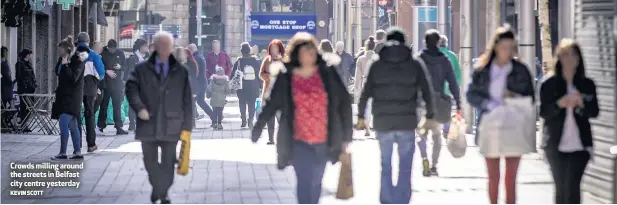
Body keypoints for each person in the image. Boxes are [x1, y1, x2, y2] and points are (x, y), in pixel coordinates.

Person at [251, 32, 352, 204]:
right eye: (305, 52)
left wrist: (347, 136)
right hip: (298, 140)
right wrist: (258, 127)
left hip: (323, 139)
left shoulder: (327, 73)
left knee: (316, 181)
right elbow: (272, 102)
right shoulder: (287, 75)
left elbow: (344, 103)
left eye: (312, 51)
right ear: (297, 54)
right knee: (304, 181)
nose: (309, 55)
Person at [356, 27, 435, 204]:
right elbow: (427, 91)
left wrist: (361, 115)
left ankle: (386, 199)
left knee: (385, 164)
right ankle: (402, 199)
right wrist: (429, 115)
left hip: (383, 122)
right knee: (405, 166)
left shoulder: (376, 64)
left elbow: (365, 92)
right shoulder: (415, 63)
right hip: (407, 122)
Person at [466, 25, 535, 204]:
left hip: (514, 124)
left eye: (511, 47)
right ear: (495, 47)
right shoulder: (483, 69)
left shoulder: (521, 70)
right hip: (490, 124)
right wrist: (487, 103)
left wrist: (514, 97)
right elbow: (471, 94)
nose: (507, 51)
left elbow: (531, 97)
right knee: (493, 176)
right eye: (503, 47)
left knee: (511, 177)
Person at [125, 31, 193, 204]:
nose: (164, 49)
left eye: (167, 46)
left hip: (172, 123)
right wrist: (139, 108)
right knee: (150, 161)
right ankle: (158, 187)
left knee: (169, 161)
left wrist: (187, 127)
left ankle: (162, 192)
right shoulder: (141, 69)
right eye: (161, 46)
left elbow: (187, 100)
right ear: (154, 47)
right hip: (148, 123)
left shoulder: (180, 71)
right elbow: (131, 89)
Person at [540, 39, 598, 204]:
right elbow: (544, 111)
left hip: (580, 146)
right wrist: (560, 104)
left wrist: (581, 104)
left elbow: (594, 111)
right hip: (555, 145)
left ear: (579, 59)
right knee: (561, 189)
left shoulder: (587, 84)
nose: (569, 59)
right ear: (558, 58)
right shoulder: (549, 84)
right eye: (565, 55)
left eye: (573, 55)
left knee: (573, 188)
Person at [417, 29, 462, 177]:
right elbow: (453, 83)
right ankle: (434, 164)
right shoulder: (444, 60)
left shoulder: (419, 59)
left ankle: (424, 158)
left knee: (421, 134)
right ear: (438, 42)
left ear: (425, 41)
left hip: (422, 103)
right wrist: (458, 102)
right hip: (439, 103)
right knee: (437, 135)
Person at [51, 36, 87, 160]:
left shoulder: (78, 60)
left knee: (63, 124)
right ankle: (77, 153)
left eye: (60, 50)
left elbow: (73, 78)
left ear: (67, 50)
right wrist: (62, 63)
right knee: (73, 126)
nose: (58, 52)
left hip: (72, 98)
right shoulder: (63, 59)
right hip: (63, 96)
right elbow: (57, 71)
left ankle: (62, 153)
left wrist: (66, 66)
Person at [75, 32, 105, 151]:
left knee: (76, 115)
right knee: (90, 114)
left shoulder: (71, 52)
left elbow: (60, 70)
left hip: (75, 87)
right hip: (90, 87)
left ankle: (77, 146)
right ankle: (91, 144)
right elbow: (101, 74)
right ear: (88, 42)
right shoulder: (93, 55)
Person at [258, 39, 285, 145]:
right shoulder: (267, 60)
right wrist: (267, 77)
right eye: (272, 48)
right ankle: (271, 138)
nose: (274, 50)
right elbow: (260, 74)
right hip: (269, 92)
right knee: (270, 118)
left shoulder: (285, 59)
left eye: (276, 48)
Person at [99, 39, 128, 135]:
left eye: (114, 49)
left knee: (117, 106)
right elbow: (99, 65)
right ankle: (101, 125)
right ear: (108, 47)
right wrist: (107, 71)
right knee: (103, 105)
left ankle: (119, 127)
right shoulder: (103, 53)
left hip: (117, 84)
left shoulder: (120, 53)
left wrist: (120, 67)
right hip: (105, 84)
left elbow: (125, 66)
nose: (113, 51)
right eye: (111, 49)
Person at [231, 42, 261, 129]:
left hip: (242, 86)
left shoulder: (239, 61)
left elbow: (233, 73)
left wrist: (232, 84)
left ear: (241, 51)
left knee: (242, 102)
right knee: (252, 103)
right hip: (253, 85)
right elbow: (259, 73)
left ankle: (243, 119)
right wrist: (260, 85)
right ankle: (250, 120)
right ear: (249, 50)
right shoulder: (255, 60)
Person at [438, 35, 462, 140]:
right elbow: (458, 74)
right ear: (446, 43)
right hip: (448, 89)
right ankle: (446, 130)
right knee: (447, 110)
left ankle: (434, 130)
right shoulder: (452, 56)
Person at [354, 37, 377, 137]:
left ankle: (367, 127)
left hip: (365, 82)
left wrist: (356, 87)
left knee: (367, 106)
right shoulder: (378, 58)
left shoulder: (361, 59)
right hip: (377, 84)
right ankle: (376, 126)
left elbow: (357, 75)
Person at [188, 43, 216, 126]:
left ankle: (193, 121)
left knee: (193, 101)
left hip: (198, 83)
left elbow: (195, 72)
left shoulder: (196, 58)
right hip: (202, 82)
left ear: (192, 50)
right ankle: (214, 117)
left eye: (189, 50)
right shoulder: (200, 56)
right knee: (200, 101)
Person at [124, 39, 149, 131]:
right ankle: (132, 124)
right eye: (145, 46)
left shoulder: (148, 57)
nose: (147, 48)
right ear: (140, 47)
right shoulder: (132, 59)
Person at [14, 49, 35, 127]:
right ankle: (23, 124)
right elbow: (18, 76)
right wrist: (24, 85)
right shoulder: (19, 64)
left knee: (31, 107)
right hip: (24, 89)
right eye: (31, 54)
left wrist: (34, 84)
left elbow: (32, 76)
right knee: (23, 107)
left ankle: (24, 122)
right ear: (27, 55)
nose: (32, 56)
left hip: (31, 89)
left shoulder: (29, 64)